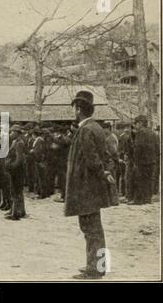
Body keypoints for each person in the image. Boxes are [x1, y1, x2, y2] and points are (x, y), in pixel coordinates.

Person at [65, 90, 115, 279]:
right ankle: (99, 265)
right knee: (96, 228)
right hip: (93, 187)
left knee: (90, 229)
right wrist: (105, 173)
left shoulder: (85, 130)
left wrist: (102, 173)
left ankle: (94, 269)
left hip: (86, 188)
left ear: (78, 109)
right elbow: (106, 157)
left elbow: (92, 160)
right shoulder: (96, 128)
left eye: (74, 108)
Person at [130, 115, 158, 205]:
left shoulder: (140, 133)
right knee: (149, 180)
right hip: (152, 161)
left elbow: (138, 147)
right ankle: (147, 199)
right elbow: (157, 147)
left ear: (140, 123)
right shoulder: (153, 133)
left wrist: (135, 161)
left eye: (136, 123)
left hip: (141, 162)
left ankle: (139, 200)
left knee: (139, 180)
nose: (135, 126)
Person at [5, 125, 26, 220]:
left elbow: (19, 158)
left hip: (17, 170)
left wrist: (12, 167)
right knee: (17, 191)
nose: (10, 134)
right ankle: (20, 210)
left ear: (17, 133)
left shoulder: (19, 143)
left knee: (15, 190)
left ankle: (15, 213)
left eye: (12, 132)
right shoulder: (15, 142)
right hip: (16, 169)